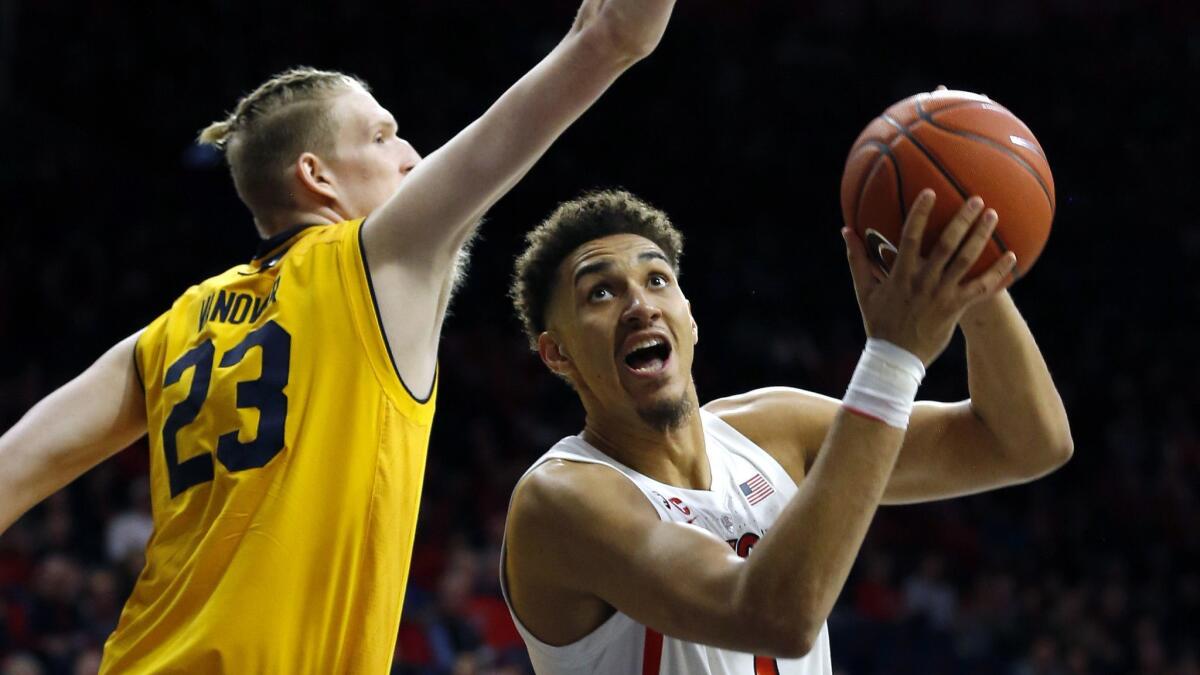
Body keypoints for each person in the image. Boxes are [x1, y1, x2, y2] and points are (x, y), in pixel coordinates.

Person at [0, 1, 677, 671]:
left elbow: (16, 465)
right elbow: (613, 34)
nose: (413, 156)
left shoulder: (172, 328)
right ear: (316, 175)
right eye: (383, 137)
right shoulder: (374, 262)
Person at [502, 188, 1073, 673]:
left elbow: (1024, 441)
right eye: (600, 292)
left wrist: (965, 268)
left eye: (657, 279)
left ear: (690, 318)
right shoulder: (562, 501)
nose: (638, 305)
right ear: (557, 354)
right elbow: (774, 617)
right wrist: (895, 358)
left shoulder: (774, 429)